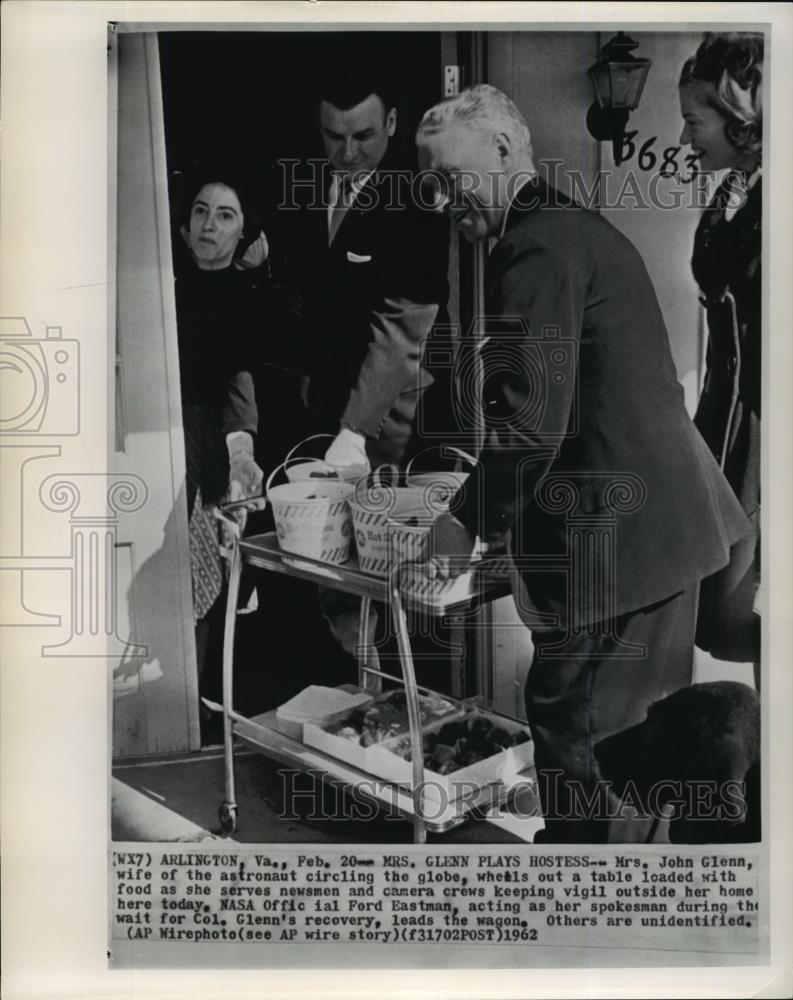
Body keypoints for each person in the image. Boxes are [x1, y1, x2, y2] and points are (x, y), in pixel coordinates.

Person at [415, 84, 753, 843]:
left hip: (616, 554)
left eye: (449, 176)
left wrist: (460, 520)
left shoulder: (533, 246)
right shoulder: (568, 224)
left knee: (581, 755)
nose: (440, 199)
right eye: (428, 183)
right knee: (642, 754)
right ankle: (632, 920)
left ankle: (581, 929)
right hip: (663, 538)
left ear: (504, 151)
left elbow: (532, 426)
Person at [293, 66, 451, 472]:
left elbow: (401, 329)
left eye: (363, 136)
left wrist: (355, 430)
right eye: (334, 137)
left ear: (392, 123)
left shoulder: (418, 202)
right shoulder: (305, 186)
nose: (347, 153)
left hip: (393, 421)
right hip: (327, 409)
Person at [678, 33, 763, 672]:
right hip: (723, 431)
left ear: (739, 120)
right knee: (722, 619)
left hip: (764, 441)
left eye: (693, 121)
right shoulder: (738, 186)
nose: (685, 140)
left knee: (752, 613)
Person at [174, 173, 264, 692]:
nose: (210, 223)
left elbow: (240, 381)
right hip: (167, 441)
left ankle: (196, 703)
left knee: (205, 578)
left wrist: (239, 452)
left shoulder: (249, 298)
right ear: (184, 228)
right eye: (201, 211)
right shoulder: (162, 293)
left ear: (243, 232)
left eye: (225, 214)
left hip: (210, 448)